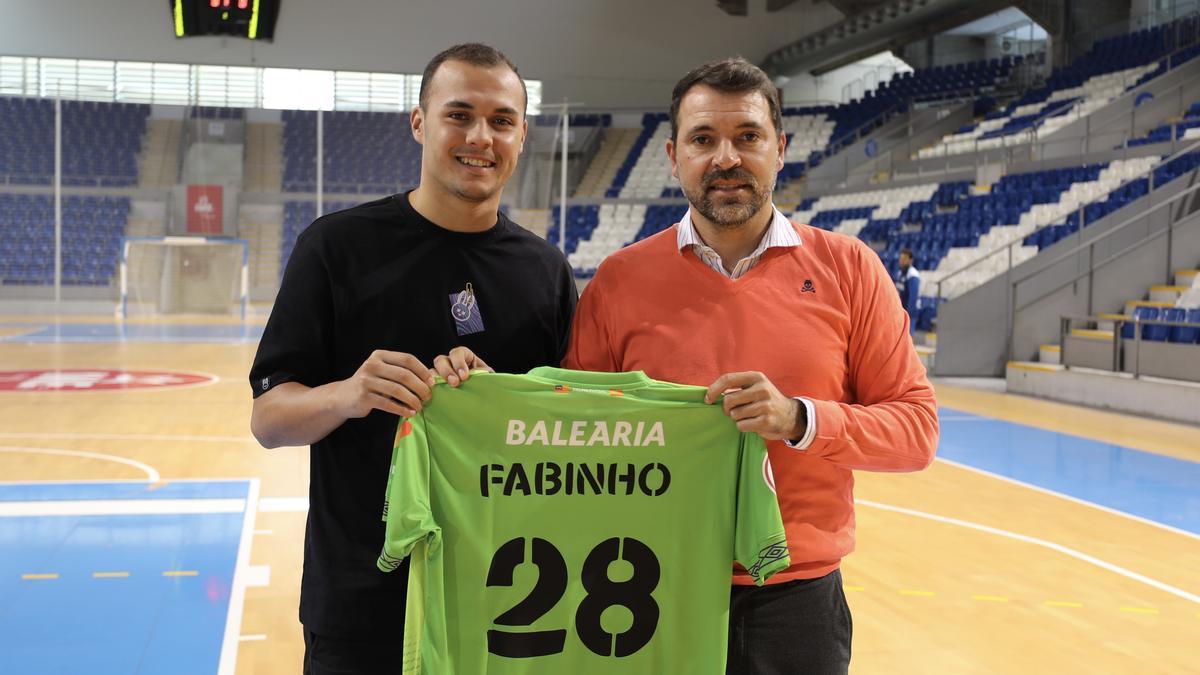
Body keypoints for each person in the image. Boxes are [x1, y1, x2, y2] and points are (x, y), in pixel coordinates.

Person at [563, 57, 939, 675]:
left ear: (780, 148)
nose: (726, 158)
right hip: (643, 585)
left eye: (748, 137)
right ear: (673, 154)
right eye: (704, 139)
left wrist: (799, 419)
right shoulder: (619, 280)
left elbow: (916, 431)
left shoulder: (850, 269)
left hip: (797, 599)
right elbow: (575, 429)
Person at [249, 43, 576, 675]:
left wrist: (504, 401)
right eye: (460, 115)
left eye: (502, 120)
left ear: (522, 135)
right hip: (362, 606)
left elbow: (566, 435)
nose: (481, 137)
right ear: (419, 122)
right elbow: (269, 420)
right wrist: (349, 393)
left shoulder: (545, 272)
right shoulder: (336, 247)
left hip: (509, 601)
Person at [895, 248, 921, 334]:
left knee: (908, 336)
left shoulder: (913, 274)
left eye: (904, 259)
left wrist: (908, 314)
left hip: (910, 311)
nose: (901, 261)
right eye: (901, 259)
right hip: (901, 310)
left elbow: (913, 297)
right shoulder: (900, 273)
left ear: (910, 260)